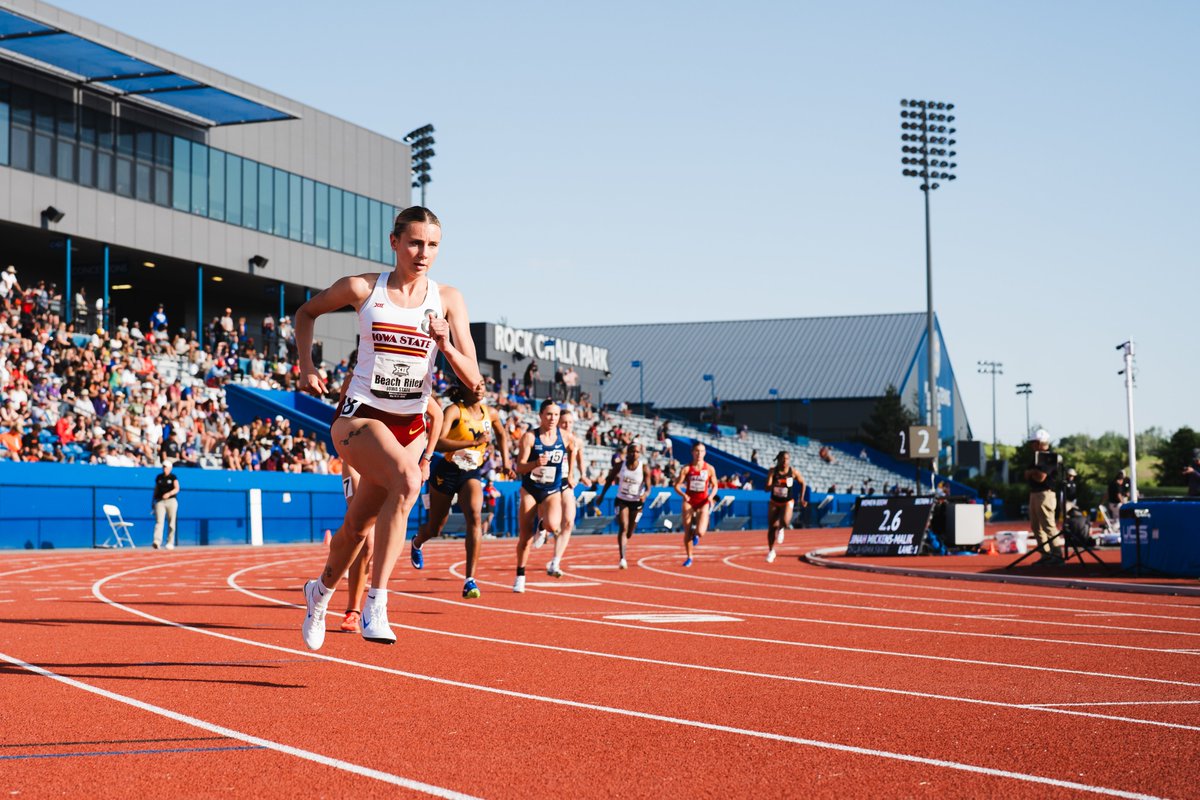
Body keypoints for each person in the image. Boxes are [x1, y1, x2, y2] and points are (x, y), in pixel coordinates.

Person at [295, 206, 481, 649]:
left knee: (355, 530)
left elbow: (473, 381)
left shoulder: (448, 300)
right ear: (394, 241)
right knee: (408, 477)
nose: (423, 253)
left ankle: (318, 594)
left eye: (432, 245)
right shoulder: (363, 289)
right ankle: (376, 603)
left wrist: (444, 343)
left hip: (408, 427)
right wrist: (306, 366)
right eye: (415, 243)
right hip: (358, 419)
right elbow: (305, 314)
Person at [411, 382, 509, 599]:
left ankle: (469, 580)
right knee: (436, 528)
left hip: (471, 473)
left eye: (482, 384)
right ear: (464, 388)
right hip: (446, 471)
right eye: (474, 385)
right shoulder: (454, 410)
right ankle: (418, 541)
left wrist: (507, 461)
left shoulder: (490, 413)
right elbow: (437, 443)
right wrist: (472, 442)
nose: (479, 388)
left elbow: (502, 434)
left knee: (475, 516)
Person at [513, 399, 567, 592]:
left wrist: (578, 473)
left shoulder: (566, 437)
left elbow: (576, 452)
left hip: (552, 489)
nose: (553, 418)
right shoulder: (529, 437)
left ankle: (542, 527)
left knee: (553, 525)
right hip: (531, 489)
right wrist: (535, 463)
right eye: (549, 414)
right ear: (541, 415)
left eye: (556, 415)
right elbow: (519, 467)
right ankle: (520, 575)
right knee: (525, 536)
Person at [596, 441, 650, 569]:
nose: (634, 454)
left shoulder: (644, 468)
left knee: (630, 531)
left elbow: (648, 487)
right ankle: (622, 558)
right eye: (632, 451)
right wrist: (602, 496)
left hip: (637, 504)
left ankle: (627, 539)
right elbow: (609, 480)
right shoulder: (620, 466)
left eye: (637, 452)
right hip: (622, 500)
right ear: (628, 452)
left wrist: (645, 494)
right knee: (623, 526)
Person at [545, 406, 584, 575]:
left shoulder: (576, 440)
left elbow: (579, 458)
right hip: (549, 481)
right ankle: (541, 527)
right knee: (552, 524)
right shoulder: (550, 438)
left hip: (566, 482)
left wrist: (582, 474)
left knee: (568, 521)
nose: (567, 426)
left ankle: (555, 562)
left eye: (570, 423)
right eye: (564, 423)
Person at [674, 441, 718, 567]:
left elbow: (715, 486)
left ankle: (697, 534)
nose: (699, 454)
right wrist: (684, 495)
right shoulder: (686, 468)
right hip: (689, 501)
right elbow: (676, 485)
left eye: (702, 451)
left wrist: (711, 496)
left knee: (701, 532)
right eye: (697, 451)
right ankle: (689, 557)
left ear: (705, 453)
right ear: (692, 452)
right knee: (687, 531)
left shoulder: (709, 468)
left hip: (703, 501)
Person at [1025, 428, 1061, 563]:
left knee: (1048, 525)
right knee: (1036, 527)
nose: (1031, 445)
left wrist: (1032, 472)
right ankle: (1045, 555)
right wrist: (1033, 472)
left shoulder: (1048, 458)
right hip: (1035, 494)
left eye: (1033, 442)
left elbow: (1040, 477)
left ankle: (1057, 555)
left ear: (1040, 442)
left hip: (1045, 494)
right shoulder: (1035, 457)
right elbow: (1027, 475)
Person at [765, 451, 807, 563]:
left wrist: (802, 498)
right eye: (783, 459)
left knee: (786, 522)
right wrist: (776, 483)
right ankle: (771, 551)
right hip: (774, 501)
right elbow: (767, 488)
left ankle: (782, 528)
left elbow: (803, 483)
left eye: (787, 459)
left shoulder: (793, 472)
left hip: (787, 501)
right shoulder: (773, 471)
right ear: (778, 459)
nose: (785, 461)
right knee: (771, 527)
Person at [152, 460, 180, 550]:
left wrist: (169, 494)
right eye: (163, 467)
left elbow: (177, 488)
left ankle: (170, 542)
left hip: (171, 501)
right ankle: (157, 541)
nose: (164, 469)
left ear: (170, 468)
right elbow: (156, 489)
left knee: (171, 522)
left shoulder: (173, 477)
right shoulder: (159, 477)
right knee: (159, 522)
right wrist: (153, 501)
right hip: (160, 501)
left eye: (166, 467)